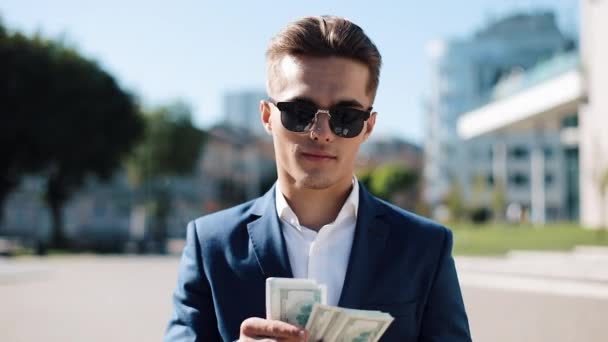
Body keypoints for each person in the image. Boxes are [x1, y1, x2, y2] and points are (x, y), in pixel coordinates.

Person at [164, 15, 471, 342]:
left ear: (368, 126)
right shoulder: (211, 245)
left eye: (346, 117)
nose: (321, 133)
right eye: (300, 112)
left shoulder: (425, 247)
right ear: (268, 117)